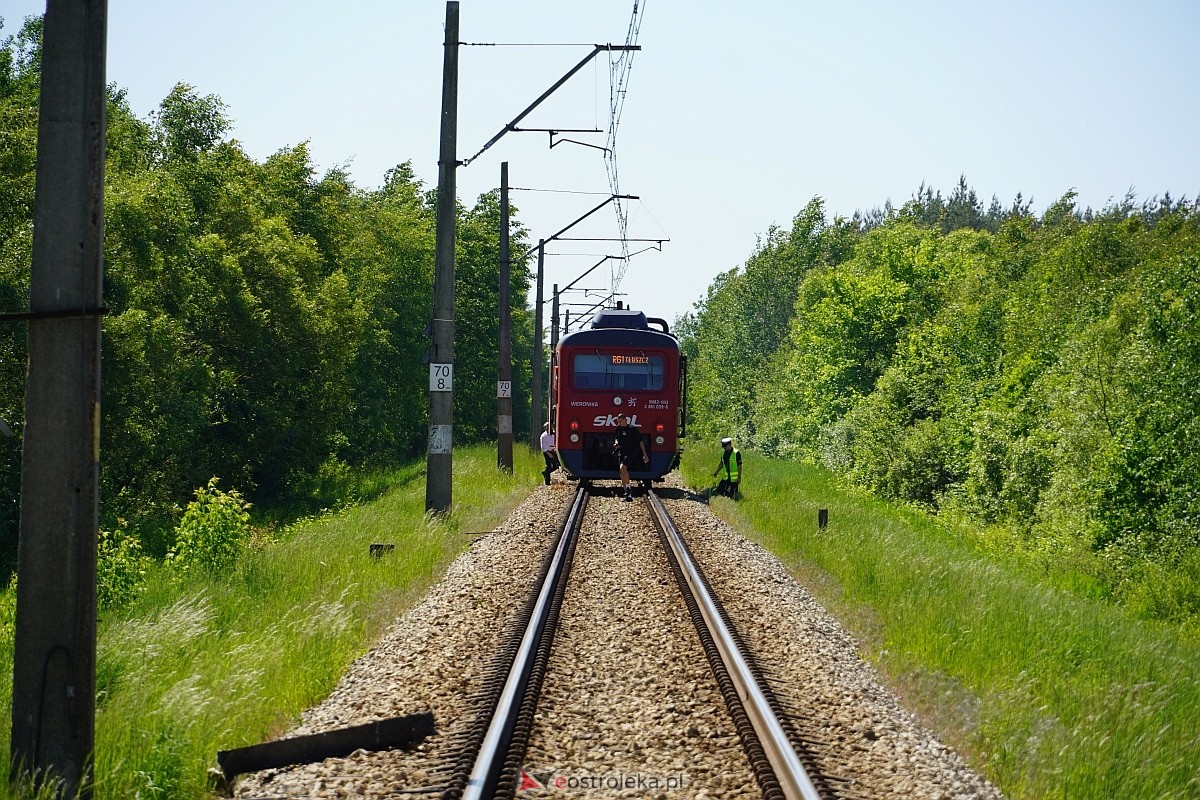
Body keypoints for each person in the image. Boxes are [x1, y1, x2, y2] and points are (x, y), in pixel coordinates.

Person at [613, 414, 649, 501]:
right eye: (618, 421)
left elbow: (640, 442)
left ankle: (629, 489)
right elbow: (617, 438)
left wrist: (645, 454)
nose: (619, 423)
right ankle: (627, 492)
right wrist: (616, 443)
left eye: (620, 421)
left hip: (631, 452)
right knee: (621, 471)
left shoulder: (633, 430)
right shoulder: (618, 429)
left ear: (625, 420)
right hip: (622, 451)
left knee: (623, 468)